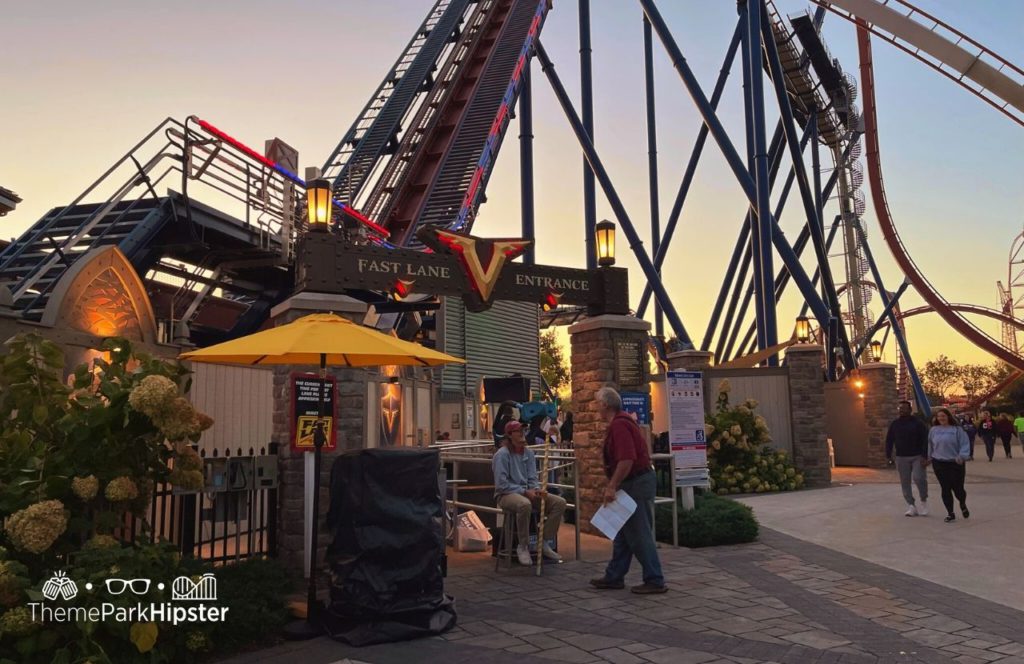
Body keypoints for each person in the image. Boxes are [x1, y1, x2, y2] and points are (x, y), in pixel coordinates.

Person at [589, 387, 667, 594]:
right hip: (636, 481)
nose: (596, 407)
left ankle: (655, 579)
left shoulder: (619, 426)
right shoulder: (623, 422)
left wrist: (612, 485)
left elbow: (626, 459)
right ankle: (614, 576)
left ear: (605, 405)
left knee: (639, 533)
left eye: (597, 403)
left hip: (636, 483)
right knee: (623, 532)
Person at [492, 421, 565, 565]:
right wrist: (525, 491)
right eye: (518, 431)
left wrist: (536, 490)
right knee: (524, 504)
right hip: (506, 494)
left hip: (527, 492)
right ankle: (523, 546)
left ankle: (543, 542)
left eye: (523, 430)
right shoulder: (502, 455)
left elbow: (532, 477)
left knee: (559, 502)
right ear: (510, 435)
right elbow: (501, 485)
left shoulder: (529, 453)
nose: (522, 433)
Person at [884, 400, 930, 517]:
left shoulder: (918, 423)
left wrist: (925, 456)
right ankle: (911, 505)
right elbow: (889, 440)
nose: (902, 410)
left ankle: (923, 501)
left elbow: (925, 440)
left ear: (910, 410)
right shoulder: (895, 424)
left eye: (904, 408)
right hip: (901, 457)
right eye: (900, 408)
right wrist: (888, 455)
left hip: (917, 455)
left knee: (919, 478)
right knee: (905, 481)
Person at [928, 408, 971, 523]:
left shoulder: (957, 430)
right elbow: (930, 445)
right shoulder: (933, 430)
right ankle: (950, 513)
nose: (941, 418)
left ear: (948, 417)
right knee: (945, 488)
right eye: (939, 416)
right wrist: (929, 457)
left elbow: (964, 444)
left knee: (958, 488)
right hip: (939, 463)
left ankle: (962, 503)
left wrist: (962, 456)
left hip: (955, 463)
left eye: (943, 416)